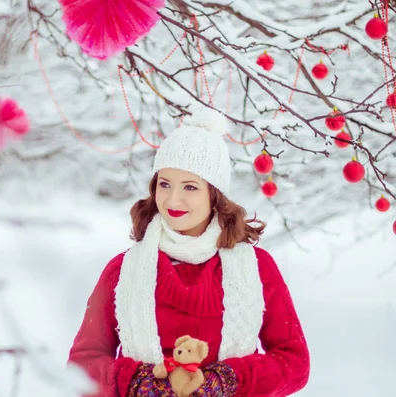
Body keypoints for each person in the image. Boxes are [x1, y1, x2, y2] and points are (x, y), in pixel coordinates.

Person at [68, 107, 310, 397]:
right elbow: (82, 363)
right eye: (165, 184)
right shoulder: (123, 271)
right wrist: (135, 382)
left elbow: (293, 362)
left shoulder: (256, 268)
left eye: (190, 187)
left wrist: (229, 381)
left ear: (214, 194)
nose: (173, 199)